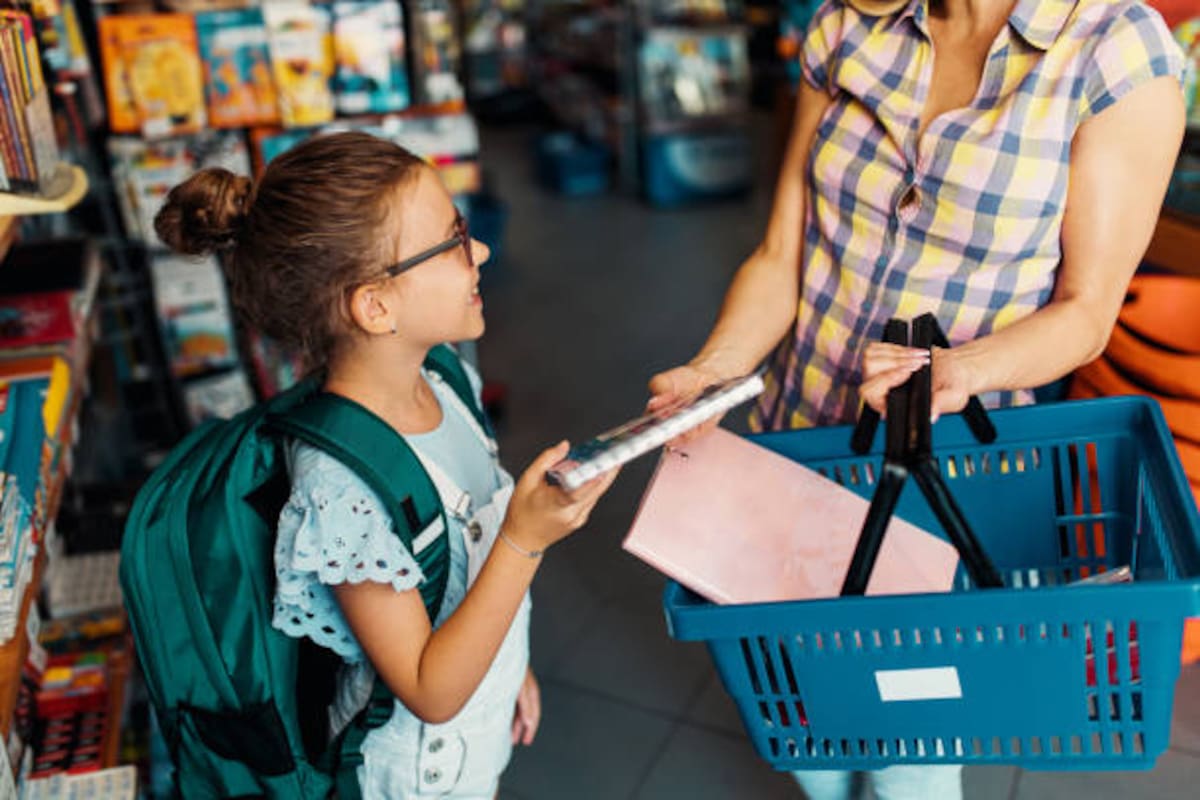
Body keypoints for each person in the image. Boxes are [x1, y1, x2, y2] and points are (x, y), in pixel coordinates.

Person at [648, 0, 1186, 796]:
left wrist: (957, 371)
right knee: (807, 726)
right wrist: (715, 367)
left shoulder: (1114, 51)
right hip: (802, 441)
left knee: (912, 748)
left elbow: (1087, 312)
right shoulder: (846, 25)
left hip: (950, 483)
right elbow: (780, 255)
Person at [154, 131, 618, 799]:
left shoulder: (447, 376)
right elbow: (429, 688)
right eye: (453, 239)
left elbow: (465, 579)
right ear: (375, 305)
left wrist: (510, 663)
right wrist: (524, 539)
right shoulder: (339, 489)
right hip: (415, 778)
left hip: (477, 726)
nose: (480, 250)